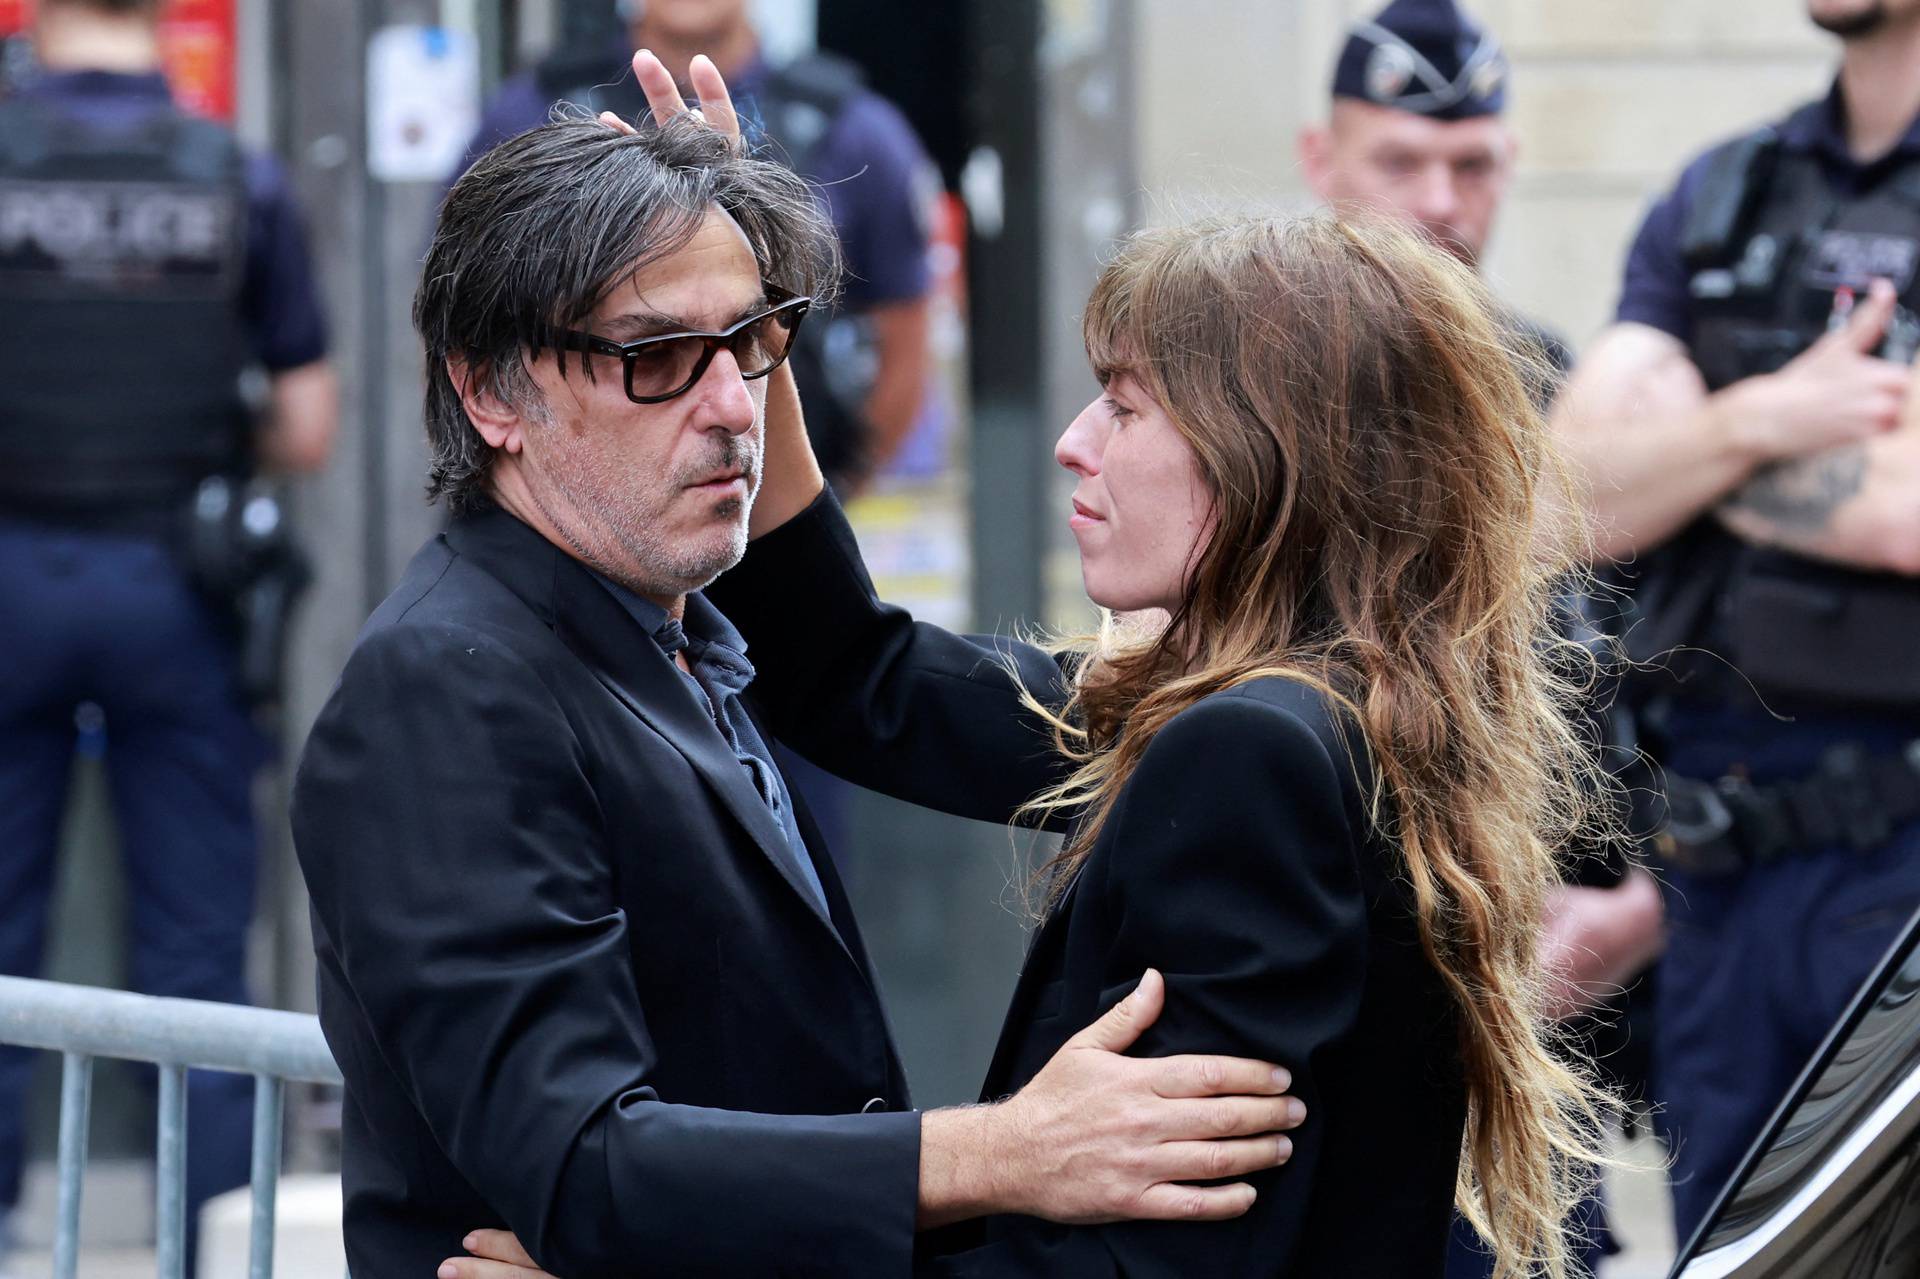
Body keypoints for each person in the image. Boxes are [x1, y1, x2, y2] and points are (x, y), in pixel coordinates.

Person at [447, 69, 1613, 1279]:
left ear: (1271, 457)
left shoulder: (1253, 749)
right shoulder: (1320, 702)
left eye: (1125, 405)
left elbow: (1130, 1269)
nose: (1072, 442)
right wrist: (744, 326)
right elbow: (855, 673)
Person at [292, 58, 1306, 1278]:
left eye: (754, 343)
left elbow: (845, 668)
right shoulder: (448, 686)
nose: (733, 404)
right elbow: (580, 1162)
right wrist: (1003, 1151)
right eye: (656, 353)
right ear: (488, 388)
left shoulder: (671, 628)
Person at [1302, 4, 1667, 1272]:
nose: (1441, 203)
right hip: (1331, 1007)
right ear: (1321, 160)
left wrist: (1645, 899)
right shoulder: (1246, 392)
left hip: (1539, 1024)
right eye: (1400, 163)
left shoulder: (1554, 385)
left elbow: (1644, 672)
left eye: (1473, 165)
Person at [1554, 0, 1920, 1243]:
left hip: (1901, 863)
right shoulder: (1722, 194)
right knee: (1727, 1254)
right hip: (1716, 869)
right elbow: (1569, 498)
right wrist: (1770, 422)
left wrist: (1691, 451)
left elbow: (1907, 513)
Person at [0, 0, 336, 1262]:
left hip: (10, 577)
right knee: (196, 953)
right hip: (176, 589)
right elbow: (307, 427)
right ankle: (209, 1244)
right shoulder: (236, 180)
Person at [457, 0, 934, 497]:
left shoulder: (857, 131)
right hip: (587, 503)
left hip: (773, 500)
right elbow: (462, 318)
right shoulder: (530, 112)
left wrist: (813, 514)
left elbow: (905, 341)